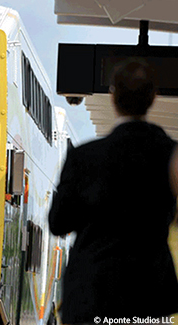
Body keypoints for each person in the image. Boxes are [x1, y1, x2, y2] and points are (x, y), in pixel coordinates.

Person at [48, 59, 178, 323]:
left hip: (91, 292)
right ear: (153, 98)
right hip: (148, 295)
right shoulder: (172, 156)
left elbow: (58, 223)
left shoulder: (84, 157)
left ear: (112, 96)